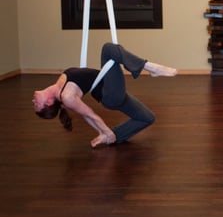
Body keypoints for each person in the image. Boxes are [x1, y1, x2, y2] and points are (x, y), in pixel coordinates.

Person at [33, 43, 177, 147]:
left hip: (113, 94)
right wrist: (105, 130)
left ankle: (116, 136)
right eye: (36, 104)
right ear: (49, 102)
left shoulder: (59, 85)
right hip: (110, 95)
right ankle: (150, 67)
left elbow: (86, 114)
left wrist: (107, 134)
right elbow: (90, 115)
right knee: (108, 50)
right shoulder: (66, 97)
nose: (33, 100)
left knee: (147, 118)